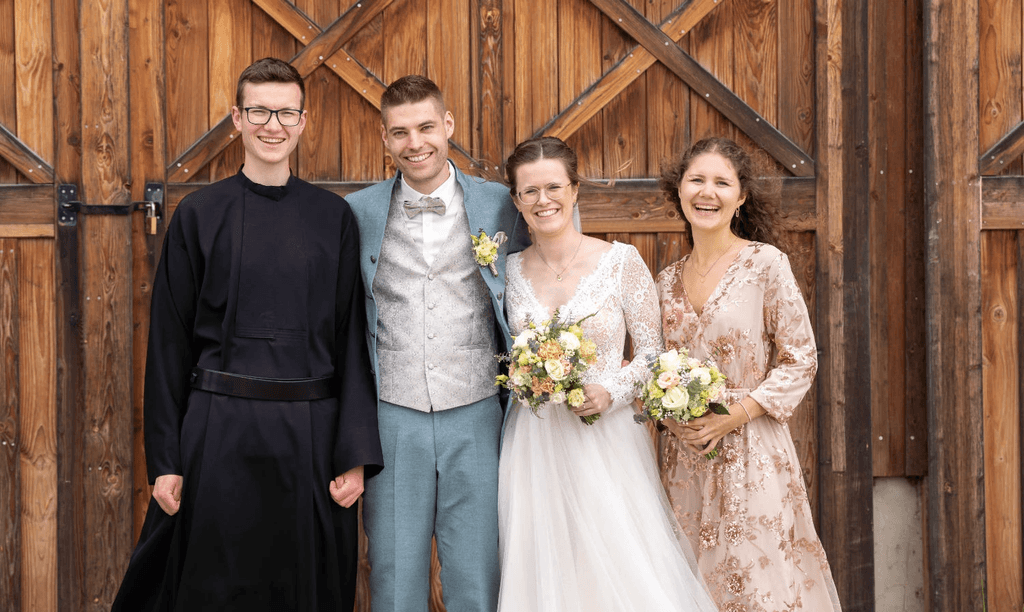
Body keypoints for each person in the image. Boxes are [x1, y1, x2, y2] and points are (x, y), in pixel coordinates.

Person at [111, 57, 383, 612]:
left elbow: (353, 340)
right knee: (210, 587)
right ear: (236, 118)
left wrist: (353, 454)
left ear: (303, 121)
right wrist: (165, 459)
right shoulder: (198, 214)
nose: (272, 125)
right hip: (218, 430)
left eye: (285, 112)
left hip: (310, 435)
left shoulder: (333, 218)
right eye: (259, 110)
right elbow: (168, 344)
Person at [496, 136, 718, 611]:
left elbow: (652, 354)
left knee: (620, 569)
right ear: (516, 200)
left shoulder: (621, 263)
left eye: (553, 187)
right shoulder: (508, 271)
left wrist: (609, 391)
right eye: (529, 191)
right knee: (544, 566)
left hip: (606, 440)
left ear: (575, 190)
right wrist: (523, 376)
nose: (543, 201)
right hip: (534, 442)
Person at [345, 75, 530, 611]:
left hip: (476, 409)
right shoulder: (359, 212)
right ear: (385, 138)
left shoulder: (502, 206)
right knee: (394, 573)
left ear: (447, 125)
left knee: (477, 573)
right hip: (391, 413)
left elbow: (542, 282)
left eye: (426, 126)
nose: (415, 143)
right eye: (400, 132)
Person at [655, 136, 842, 610]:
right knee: (687, 587)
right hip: (683, 460)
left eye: (722, 182)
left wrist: (731, 415)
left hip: (751, 453)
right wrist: (666, 416)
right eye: (697, 179)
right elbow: (651, 369)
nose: (707, 192)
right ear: (679, 190)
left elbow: (801, 357)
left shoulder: (765, 264)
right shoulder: (664, 281)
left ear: (740, 198)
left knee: (755, 585)